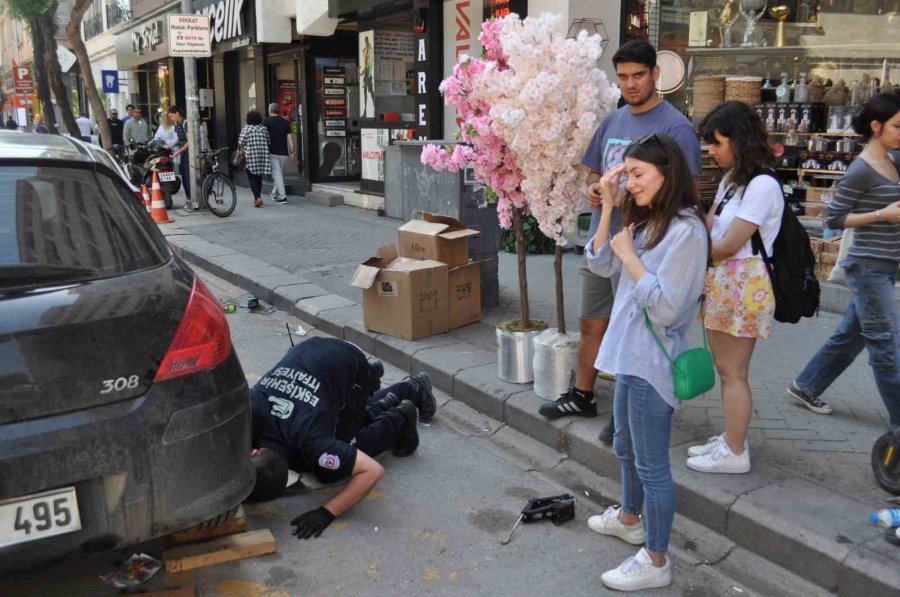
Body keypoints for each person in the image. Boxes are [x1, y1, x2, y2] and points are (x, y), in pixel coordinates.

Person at [538, 40, 703, 445]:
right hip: (604, 236)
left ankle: (625, 414)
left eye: (638, 75)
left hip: (645, 248)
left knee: (635, 326)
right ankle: (583, 394)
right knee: (592, 321)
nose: (630, 85)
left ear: (655, 75)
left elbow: (687, 191)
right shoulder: (614, 121)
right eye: (623, 77)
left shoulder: (675, 127)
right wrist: (597, 192)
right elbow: (593, 174)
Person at [584, 134, 708, 591]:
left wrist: (631, 257)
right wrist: (610, 207)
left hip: (654, 362)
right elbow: (599, 263)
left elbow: (669, 310)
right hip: (627, 353)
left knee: (653, 465)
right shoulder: (647, 220)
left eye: (638, 174)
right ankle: (630, 517)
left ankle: (656, 558)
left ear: (666, 174)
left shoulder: (687, 232)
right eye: (627, 172)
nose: (630, 182)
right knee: (625, 448)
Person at [247, 337, 436, 539]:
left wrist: (327, 512)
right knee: (326, 434)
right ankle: (391, 397)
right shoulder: (248, 412)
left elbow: (372, 471)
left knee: (331, 468)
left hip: (350, 364)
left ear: (254, 450)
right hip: (312, 349)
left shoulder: (314, 441)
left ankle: (399, 418)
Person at [683, 101, 784, 475]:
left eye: (717, 143)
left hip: (744, 284)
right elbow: (710, 225)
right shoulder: (731, 181)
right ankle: (730, 438)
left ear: (739, 140)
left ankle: (736, 451)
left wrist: (691, 253)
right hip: (723, 281)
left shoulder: (762, 186)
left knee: (734, 372)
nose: (712, 151)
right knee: (725, 369)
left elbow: (727, 245)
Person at [788, 93, 900, 427]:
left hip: (886, 267)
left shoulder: (894, 161)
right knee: (887, 351)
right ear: (876, 127)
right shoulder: (860, 170)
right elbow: (833, 219)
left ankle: (806, 384)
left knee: (853, 334)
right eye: (897, 125)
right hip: (867, 269)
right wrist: (882, 214)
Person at [238, 110, 271, 208]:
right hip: (262, 155)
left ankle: (257, 197)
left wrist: (241, 152)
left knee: (252, 176)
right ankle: (257, 197)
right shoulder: (264, 129)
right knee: (258, 176)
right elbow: (268, 141)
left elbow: (241, 142)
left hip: (250, 156)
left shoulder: (246, 129)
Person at [264, 102, 294, 205]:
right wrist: (292, 151)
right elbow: (289, 138)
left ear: (269, 110)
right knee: (279, 173)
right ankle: (273, 193)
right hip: (284, 153)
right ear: (278, 110)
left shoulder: (266, 122)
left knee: (277, 173)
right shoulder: (285, 122)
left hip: (272, 152)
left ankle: (283, 196)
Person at [167, 106, 191, 201]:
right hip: (182, 153)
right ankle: (188, 199)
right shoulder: (177, 124)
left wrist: (178, 152)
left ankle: (191, 199)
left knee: (188, 178)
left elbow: (190, 141)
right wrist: (170, 145)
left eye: (172, 116)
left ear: (177, 113)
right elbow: (179, 138)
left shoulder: (185, 123)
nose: (171, 119)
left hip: (188, 154)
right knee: (184, 177)